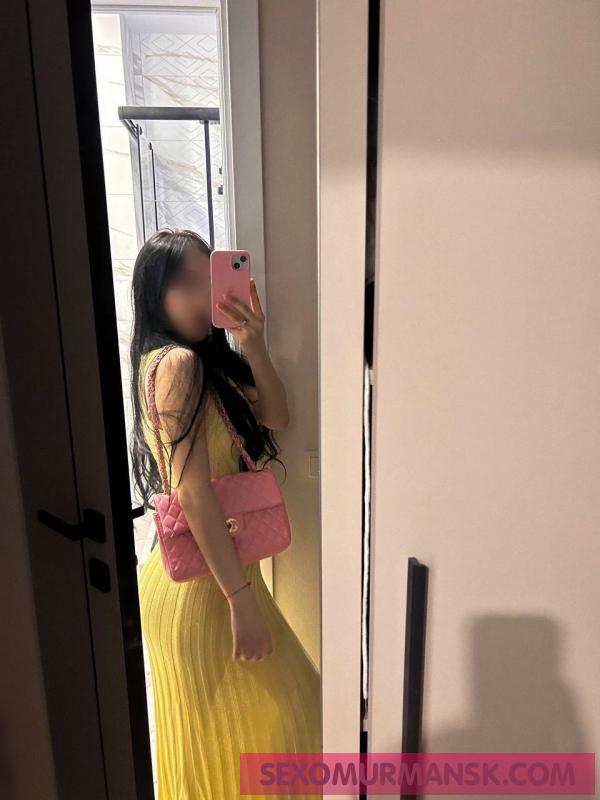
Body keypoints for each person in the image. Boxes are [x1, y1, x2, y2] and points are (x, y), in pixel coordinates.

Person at [130, 228, 322, 798]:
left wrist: (253, 343)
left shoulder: (201, 364)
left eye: (205, 281)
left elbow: (278, 416)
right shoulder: (176, 365)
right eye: (182, 284)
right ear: (155, 295)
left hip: (217, 576)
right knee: (285, 718)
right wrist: (240, 600)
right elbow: (193, 495)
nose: (198, 297)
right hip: (203, 592)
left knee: (245, 743)